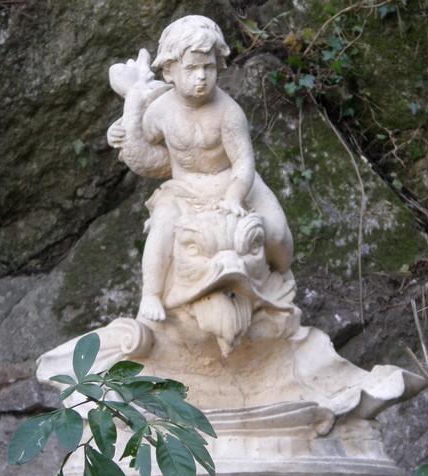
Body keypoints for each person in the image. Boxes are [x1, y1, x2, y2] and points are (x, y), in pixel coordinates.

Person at [107, 15, 293, 321]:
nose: (201, 77)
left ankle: (280, 278)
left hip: (231, 181)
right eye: (191, 69)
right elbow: (139, 137)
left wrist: (234, 196)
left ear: (218, 65)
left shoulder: (228, 112)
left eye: (208, 67)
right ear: (170, 71)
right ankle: (151, 294)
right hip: (185, 187)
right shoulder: (162, 110)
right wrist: (117, 131)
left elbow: (243, 162)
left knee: (276, 233)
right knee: (162, 229)